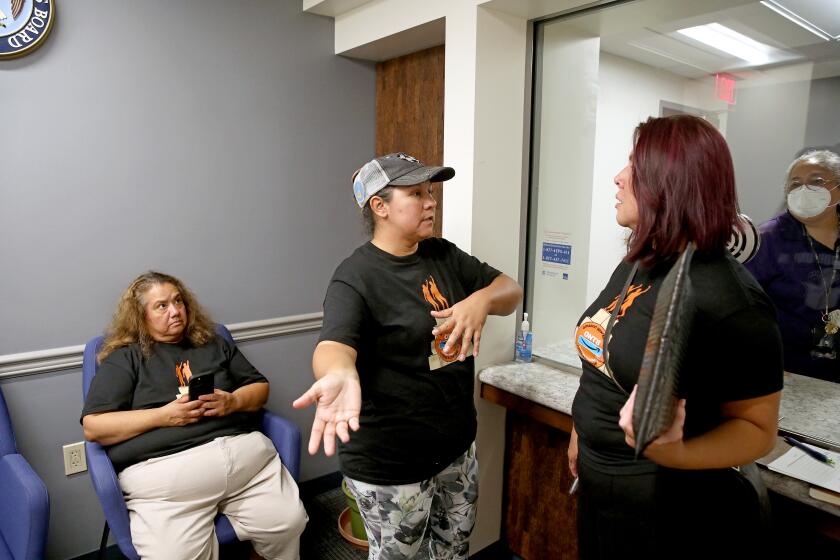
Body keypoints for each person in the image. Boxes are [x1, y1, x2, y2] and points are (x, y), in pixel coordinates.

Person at [568, 116, 783, 559]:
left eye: (633, 165)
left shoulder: (731, 299)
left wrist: (676, 455)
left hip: (667, 509)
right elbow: (604, 356)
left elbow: (758, 430)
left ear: (670, 183)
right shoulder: (640, 261)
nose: (618, 177)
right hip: (600, 488)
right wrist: (580, 432)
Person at [293, 152, 522, 560]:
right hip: (392, 465)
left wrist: (481, 301)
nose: (431, 201)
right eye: (416, 193)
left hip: (455, 449)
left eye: (430, 191)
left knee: (452, 551)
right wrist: (339, 373)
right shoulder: (355, 277)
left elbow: (511, 290)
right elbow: (334, 346)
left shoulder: (443, 255)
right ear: (379, 207)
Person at [82, 271, 307, 560]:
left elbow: (260, 388)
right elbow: (94, 427)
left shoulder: (211, 342)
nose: (175, 311)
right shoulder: (125, 358)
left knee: (289, 522)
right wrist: (162, 416)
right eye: (161, 306)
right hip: (168, 483)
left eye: (178, 301)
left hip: (246, 464)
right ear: (141, 316)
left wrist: (234, 401)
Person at [745, 149, 840, 382]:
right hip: (786, 372)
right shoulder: (767, 240)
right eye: (795, 184)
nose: (804, 189)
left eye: (816, 181)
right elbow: (740, 305)